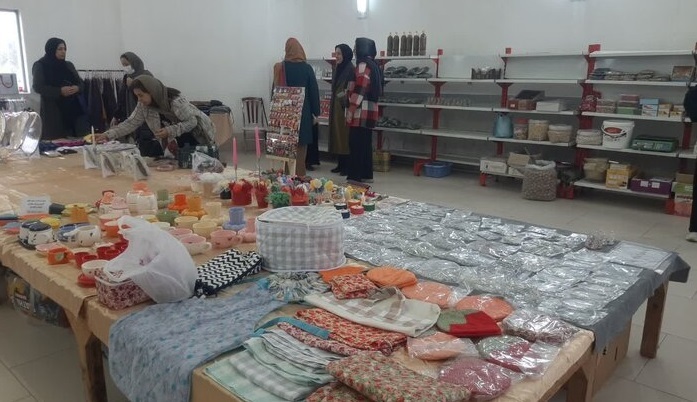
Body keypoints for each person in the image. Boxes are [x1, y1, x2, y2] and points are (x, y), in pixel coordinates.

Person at [94, 76, 215, 154]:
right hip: (177, 141)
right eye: (137, 96)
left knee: (199, 168)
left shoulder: (176, 102)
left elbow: (192, 122)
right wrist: (108, 135)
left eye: (141, 95)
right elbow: (131, 122)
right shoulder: (144, 105)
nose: (139, 99)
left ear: (151, 92)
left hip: (197, 136)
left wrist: (170, 130)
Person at [273, 38, 320, 178]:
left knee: (285, 152)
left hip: (284, 115)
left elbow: (275, 93)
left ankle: (285, 179)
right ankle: (299, 179)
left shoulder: (279, 68)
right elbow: (314, 92)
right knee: (300, 152)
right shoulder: (307, 68)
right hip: (302, 115)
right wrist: (316, 112)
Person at [32, 38, 87, 139]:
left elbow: (81, 83)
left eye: (65, 49)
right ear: (51, 49)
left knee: (80, 141)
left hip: (74, 110)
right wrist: (59, 91)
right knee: (58, 142)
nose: (63, 52)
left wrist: (77, 88)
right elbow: (38, 87)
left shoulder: (68, 65)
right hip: (54, 111)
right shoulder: (40, 65)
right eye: (60, 49)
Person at [346, 37, 382, 183]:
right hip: (370, 111)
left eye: (356, 47)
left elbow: (360, 88)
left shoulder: (362, 65)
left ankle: (355, 176)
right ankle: (367, 175)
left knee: (356, 144)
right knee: (365, 145)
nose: (354, 50)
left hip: (361, 112)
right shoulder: (374, 65)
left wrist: (351, 109)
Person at [111, 52, 158, 155]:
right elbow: (122, 99)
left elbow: (150, 97)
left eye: (127, 64)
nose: (125, 67)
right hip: (131, 114)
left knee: (146, 147)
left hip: (146, 117)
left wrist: (132, 85)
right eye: (123, 65)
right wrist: (116, 116)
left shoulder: (146, 75)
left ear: (134, 62)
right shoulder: (126, 77)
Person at [329, 44, 354, 175]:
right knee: (337, 135)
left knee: (344, 135)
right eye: (336, 54)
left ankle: (346, 165)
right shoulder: (337, 68)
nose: (337, 56)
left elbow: (350, 89)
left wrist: (342, 98)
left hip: (344, 106)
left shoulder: (350, 69)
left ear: (345, 54)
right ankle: (340, 164)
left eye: (339, 54)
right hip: (336, 106)